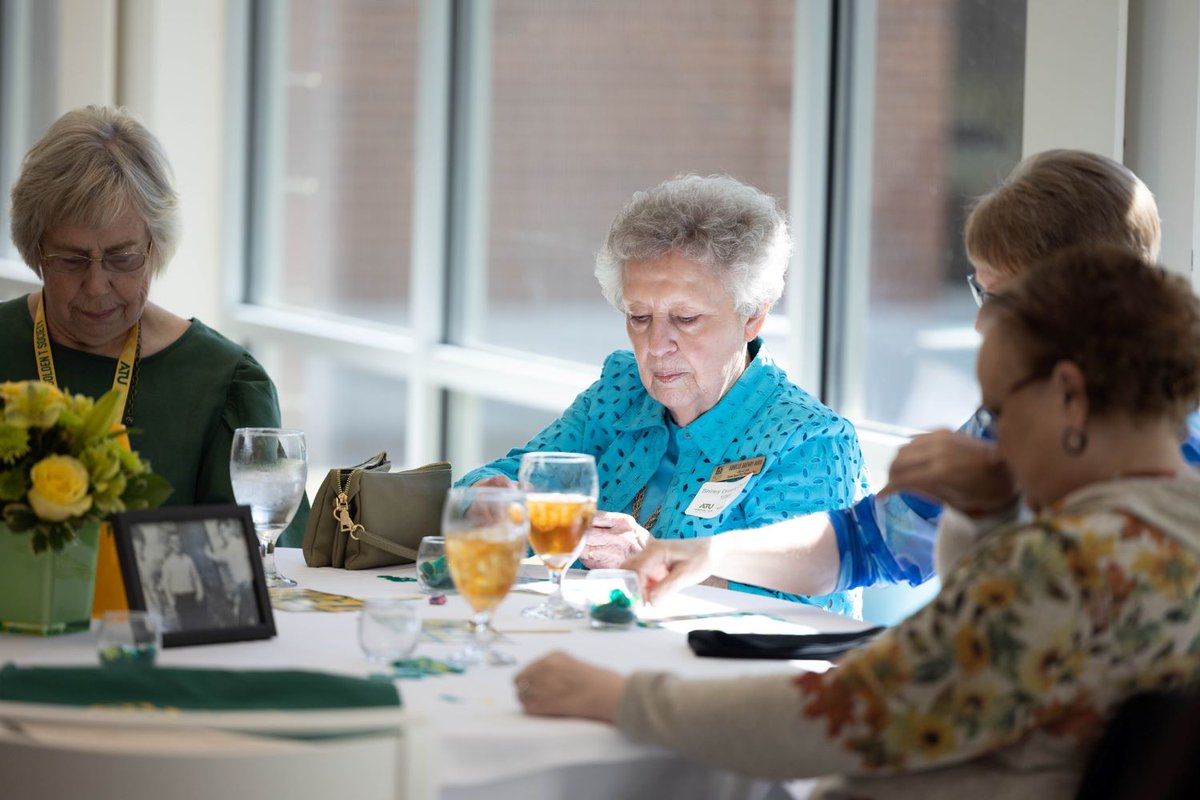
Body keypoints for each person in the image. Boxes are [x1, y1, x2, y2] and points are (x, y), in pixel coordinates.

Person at [515, 246, 1200, 799]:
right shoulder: (1164, 536)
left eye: (997, 412)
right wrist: (990, 514)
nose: (991, 441)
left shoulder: (1059, 565)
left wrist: (616, 697)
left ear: (1071, 399)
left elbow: (837, 716)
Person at [627, 149, 1200, 603]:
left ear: (1085, 298)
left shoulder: (1173, 459)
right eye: (979, 291)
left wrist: (989, 510)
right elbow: (869, 542)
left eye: (1000, 298)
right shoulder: (1012, 415)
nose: (980, 323)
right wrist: (711, 553)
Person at [459, 174, 869, 614]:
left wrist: (650, 562)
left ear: (752, 317)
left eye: (686, 318)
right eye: (639, 317)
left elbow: (813, 614)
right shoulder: (621, 393)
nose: (656, 346)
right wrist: (486, 497)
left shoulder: (809, 441)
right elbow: (499, 479)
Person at [0, 105, 307, 540]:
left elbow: (264, 566)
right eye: (70, 260)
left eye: (122, 258)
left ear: (155, 246)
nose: (96, 286)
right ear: (35, 250)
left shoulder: (224, 385)